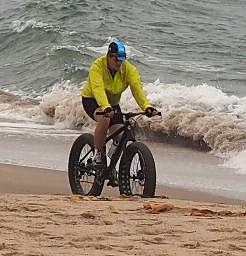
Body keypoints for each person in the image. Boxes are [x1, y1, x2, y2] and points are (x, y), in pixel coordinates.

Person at [81, 41, 158, 184]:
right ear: (109, 56)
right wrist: (105, 107)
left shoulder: (129, 70)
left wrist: (146, 106)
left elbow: (137, 89)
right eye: (116, 59)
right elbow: (97, 88)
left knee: (121, 135)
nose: (119, 62)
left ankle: (110, 166)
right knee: (105, 120)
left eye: (122, 59)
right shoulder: (97, 67)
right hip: (92, 99)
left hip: (112, 104)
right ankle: (98, 154)